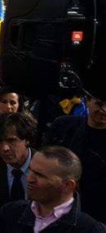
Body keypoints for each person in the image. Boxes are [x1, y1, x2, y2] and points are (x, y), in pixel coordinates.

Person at [0, 146, 105, 233]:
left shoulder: (90, 229)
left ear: (68, 185)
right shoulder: (10, 213)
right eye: (30, 170)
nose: (30, 179)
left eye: (40, 175)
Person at [44, 94, 106, 223]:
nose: (104, 110)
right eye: (99, 104)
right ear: (87, 101)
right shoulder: (63, 127)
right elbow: (46, 161)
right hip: (64, 206)